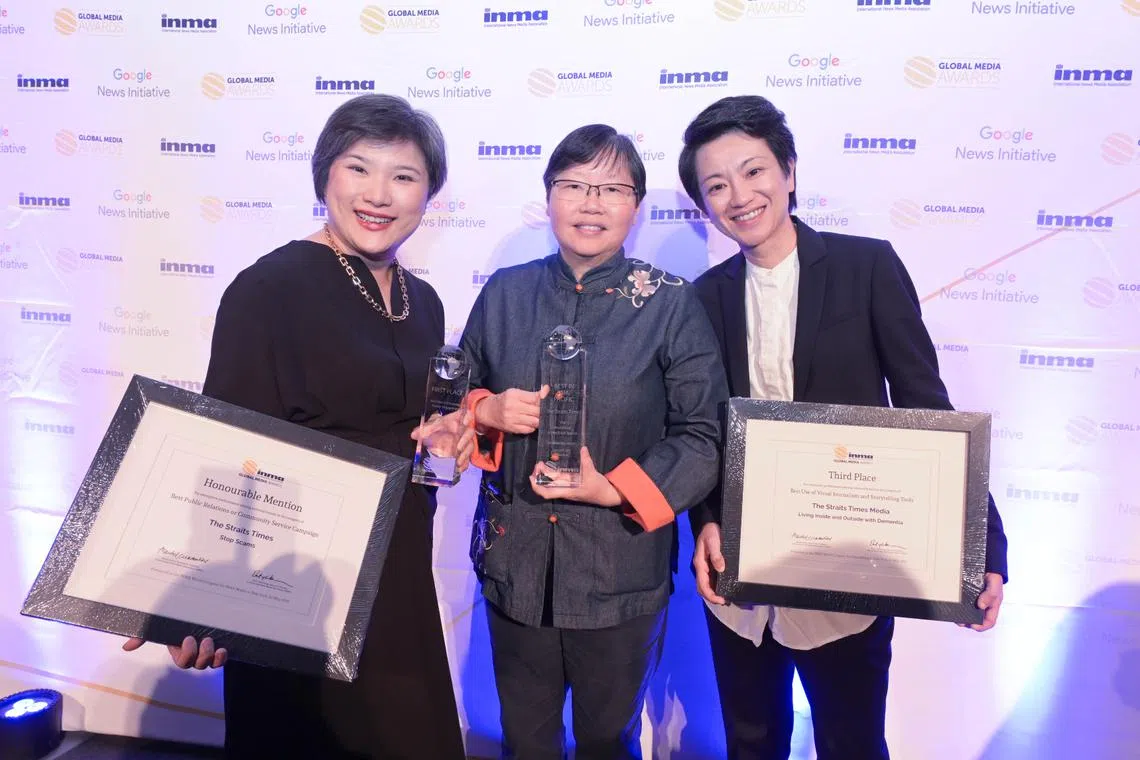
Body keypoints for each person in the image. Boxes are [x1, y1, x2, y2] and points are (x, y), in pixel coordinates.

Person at [122, 94, 470, 759]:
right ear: (324, 176)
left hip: (395, 577)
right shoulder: (270, 289)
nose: (379, 194)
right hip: (294, 585)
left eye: (404, 176)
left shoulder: (422, 299)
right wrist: (205, 601)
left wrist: (444, 435)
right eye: (358, 169)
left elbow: (415, 424)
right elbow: (225, 456)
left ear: (428, 193)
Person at [679, 95, 1010, 760]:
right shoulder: (703, 297)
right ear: (704, 204)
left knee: (852, 741)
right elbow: (701, 429)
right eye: (717, 185)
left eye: (753, 171)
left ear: (790, 172)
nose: (739, 196)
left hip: (850, 568)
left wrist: (983, 548)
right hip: (740, 577)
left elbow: (926, 406)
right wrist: (707, 519)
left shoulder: (866, 267)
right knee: (750, 741)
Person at [459, 124, 727, 759]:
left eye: (612, 188)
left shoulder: (670, 304)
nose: (591, 202)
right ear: (548, 197)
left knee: (607, 739)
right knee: (525, 739)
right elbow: (453, 402)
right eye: (573, 185)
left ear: (636, 206)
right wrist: (487, 408)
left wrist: (613, 487)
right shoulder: (505, 292)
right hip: (515, 565)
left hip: (619, 571)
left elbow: (703, 436)